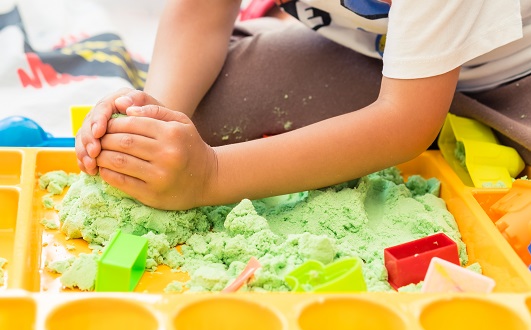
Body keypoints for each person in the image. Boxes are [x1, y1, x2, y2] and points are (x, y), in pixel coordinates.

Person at [76, 0, 531, 211]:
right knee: (207, 121)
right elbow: (202, 11)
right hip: (372, 56)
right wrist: (156, 119)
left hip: (511, 78)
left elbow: (404, 120)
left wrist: (210, 175)